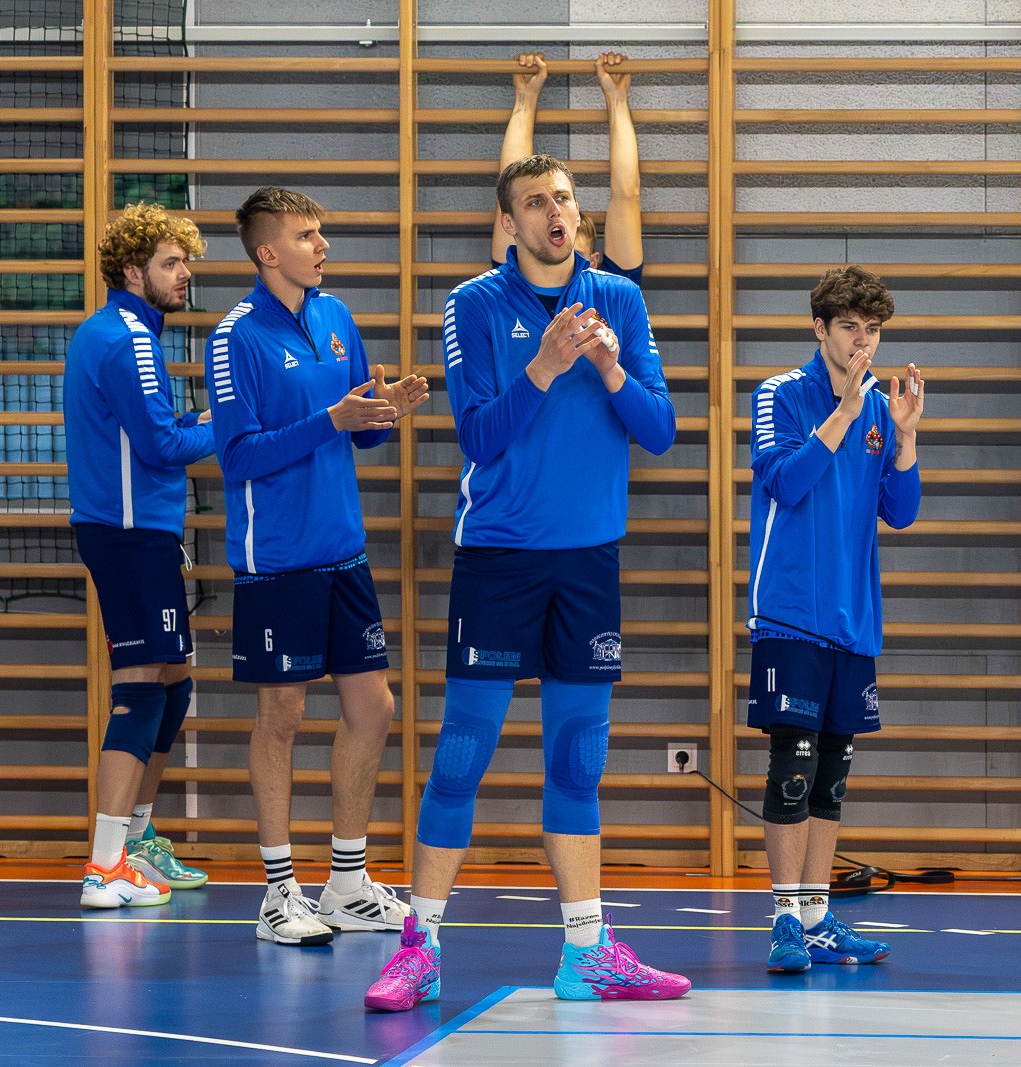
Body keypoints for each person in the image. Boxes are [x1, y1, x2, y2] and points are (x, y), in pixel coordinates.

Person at [363, 153, 687, 1011]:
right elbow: (477, 435)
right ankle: (420, 948)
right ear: (508, 222)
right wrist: (543, 365)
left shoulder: (618, 298)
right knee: (462, 755)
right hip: (500, 557)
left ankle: (587, 952)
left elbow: (660, 430)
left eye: (566, 198)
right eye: (537, 201)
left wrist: (611, 368)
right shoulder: (473, 303)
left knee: (579, 760)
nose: (557, 213)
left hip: (588, 562)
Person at [208, 186, 429, 944]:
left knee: (374, 708)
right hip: (276, 559)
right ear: (268, 251)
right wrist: (329, 418)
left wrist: (383, 410)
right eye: (307, 235)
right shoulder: (235, 337)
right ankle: (278, 892)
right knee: (284, 715)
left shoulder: (336, 318)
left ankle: (346, 883)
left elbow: (358, 433)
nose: (322, 244)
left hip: (344, 551)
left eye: (321, 232)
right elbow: (238, 455)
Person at [745, 265, 923, 973]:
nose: (862, 342)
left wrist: (905, 437)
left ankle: (818, 917)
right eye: (850, 327)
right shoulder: (780, 393)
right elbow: (784, 482)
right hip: (791, 611)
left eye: (872, 330)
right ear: (820, 328)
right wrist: (844, 413)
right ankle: (784, 918)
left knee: (831, 776)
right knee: (792, 767)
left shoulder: (882, 406)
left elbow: (901, 512)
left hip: (854, 618)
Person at [66, 202, 216, 908]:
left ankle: (137, 839)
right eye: (170, 263)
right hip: (127, 533)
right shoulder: (126, 338)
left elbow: (151, 432)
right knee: (140, 682)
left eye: (185, 261)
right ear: (133, 270)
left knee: (173, 679)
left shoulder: (123, 333)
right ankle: (104, 866)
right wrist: (230, 427)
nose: (184, 274)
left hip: (141, 530)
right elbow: (159, 447)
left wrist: (198, 420)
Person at [492, 51, 644, 286]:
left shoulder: (611, 288)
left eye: (576, 254)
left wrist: (617, 99)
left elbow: (626, 194)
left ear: (593, 261)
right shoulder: (513, 281)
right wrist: (525, 98)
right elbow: (514, 186)